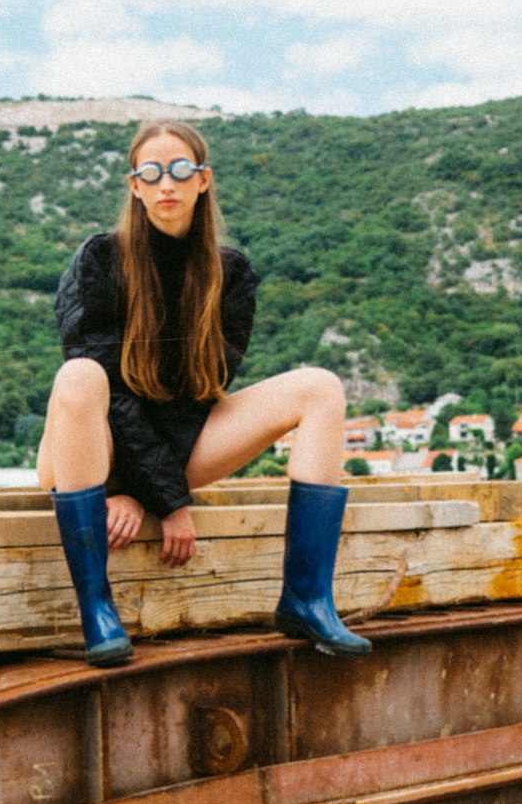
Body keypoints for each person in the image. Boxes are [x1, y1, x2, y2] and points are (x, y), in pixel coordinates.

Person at [37, 120, 371, 665]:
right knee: (79, 377)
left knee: (321, 388)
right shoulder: (99, 261)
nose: (166, 183)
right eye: (151, 171)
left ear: (202, 180)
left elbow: (199, 399)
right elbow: (109, 399)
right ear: (135, 186)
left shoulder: (230, 274)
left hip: (174, 447)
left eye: (179, 170)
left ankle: (307, 598)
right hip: (85, 453)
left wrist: (151, 495)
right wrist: (164, 502)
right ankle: (97, 611)